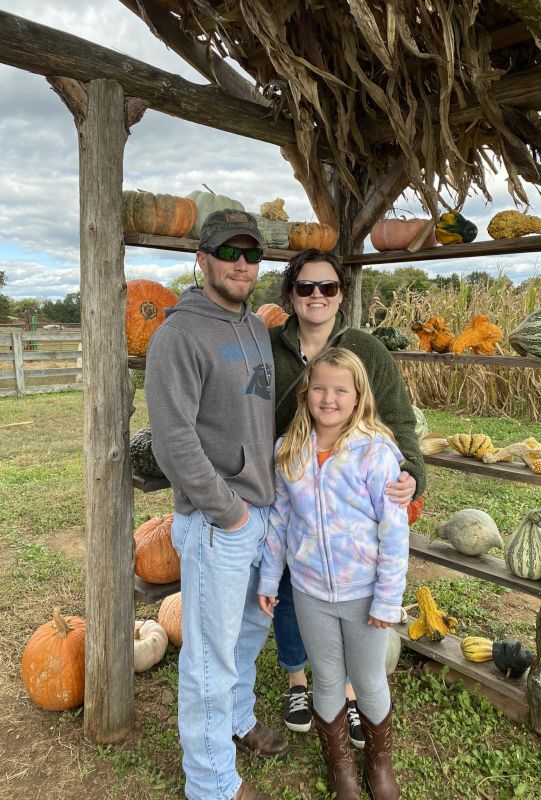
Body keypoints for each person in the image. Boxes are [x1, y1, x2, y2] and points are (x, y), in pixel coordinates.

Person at [145, 209, 288, 800]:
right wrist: (226, 512)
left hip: (259, 513)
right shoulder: (179, 335)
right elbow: (173, 439)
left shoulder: (255, 327)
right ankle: (210, 783)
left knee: (249, 633)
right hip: (216, 522)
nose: (241, 263)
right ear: (201, 259)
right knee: (208, 657)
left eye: (250, 254)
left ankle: (237, 719)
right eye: (227, 252)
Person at [268, 248, 426, 743]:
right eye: (306, 287)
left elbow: (397, 418)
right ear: (291, 295)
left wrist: (412, 471)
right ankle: (299, 681)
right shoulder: (269, 345)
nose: (317, 296)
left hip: (344, 488)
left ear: (341, 294)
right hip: (291, 471)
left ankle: (351, 699)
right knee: (294, 592)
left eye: (328, 287)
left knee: (344, 597)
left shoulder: (366, 349)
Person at [258, 347, 408, 800]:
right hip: (310, 592)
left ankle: (379, 765)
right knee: (325, 679)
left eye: (341, 390)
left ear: (358, 395)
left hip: (364, 594)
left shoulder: (375, 454)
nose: (329, 398)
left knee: (366, 681)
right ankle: (342, 767)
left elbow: (394, 532)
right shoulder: (288, 452)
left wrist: (387, 598)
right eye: (319, 388)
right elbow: (279, 522)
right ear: (306, 393)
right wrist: (269, 578)